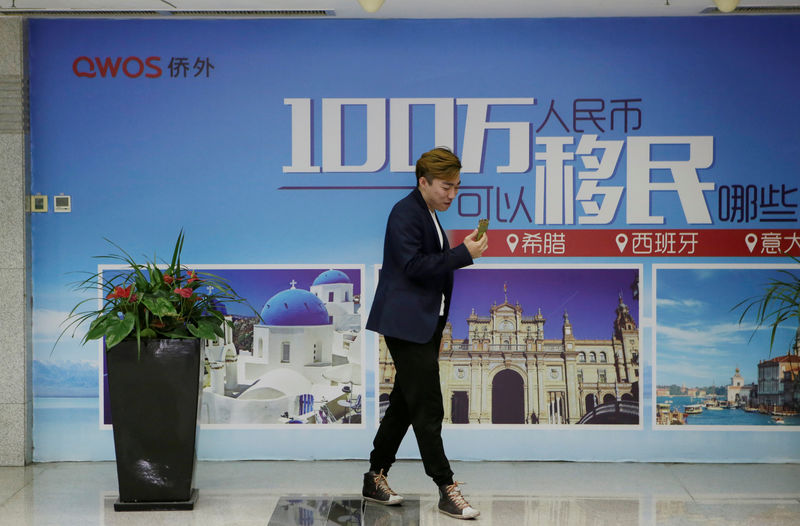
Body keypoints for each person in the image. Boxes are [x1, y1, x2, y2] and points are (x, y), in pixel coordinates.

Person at [362, 147, 488, 520]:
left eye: (457, 187)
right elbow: (414, 266)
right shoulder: (406, 213)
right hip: (406, 325)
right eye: (446, 187)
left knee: (404, 404)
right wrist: (463, 254)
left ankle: (374, 476)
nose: (452, 194)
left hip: (426, 322)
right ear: (423, 182)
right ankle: (446, 488)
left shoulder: (428, 213)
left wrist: (460, 254)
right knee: (429, 406)